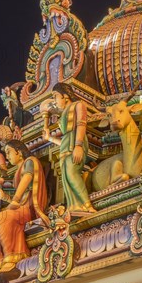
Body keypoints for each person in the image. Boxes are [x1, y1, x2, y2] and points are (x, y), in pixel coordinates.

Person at [0, 140, 47, 281]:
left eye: (8, 152)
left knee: (1, 217)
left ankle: (11, 258)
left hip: (30, 210)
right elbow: (17, 200)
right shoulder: (17, 172)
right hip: (20, 209)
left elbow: (27, 181)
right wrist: (7, 198)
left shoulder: (30, 161)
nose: (7, 156)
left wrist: (14, 200)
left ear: (19, 152)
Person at [43, 83, 96, 213]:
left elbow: (81, 125)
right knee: (66, 177)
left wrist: (78, 146)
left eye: (56, 96)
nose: (55, 101)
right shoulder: (63, 115)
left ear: (65, 96)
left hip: (76, 144)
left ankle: (87, 206)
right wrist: (49, 138)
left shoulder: (78, 105)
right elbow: (64, 142)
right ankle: (74, 207)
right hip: (66, 147)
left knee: (72, 174)